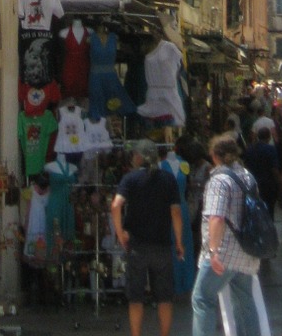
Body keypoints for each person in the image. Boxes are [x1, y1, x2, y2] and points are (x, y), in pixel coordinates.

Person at [111, 138, 184, 336]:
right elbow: (176, 213)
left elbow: (116, 206)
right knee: (164, 298)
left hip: (137, 247)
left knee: (136, 298)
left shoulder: (130, 179)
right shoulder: (168, 179)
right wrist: (179, 241)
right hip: (161, 246)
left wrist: (120, 234)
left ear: (139, 157)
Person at [190, 132, 261, 336]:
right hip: (246, 250)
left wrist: (213, 251)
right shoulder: (248, 176)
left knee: (202, 298)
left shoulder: (220, 180)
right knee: (244, 301)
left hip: (224, 251)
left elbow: (217, 217)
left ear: (214, 155)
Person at [242, 117, 281, 216]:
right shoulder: (271, 150)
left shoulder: (249, 150)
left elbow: (245, 166)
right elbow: (274, 169)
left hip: (252, 184)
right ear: (269, 138)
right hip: (268, 185)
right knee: (269, 211)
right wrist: (280, 185)